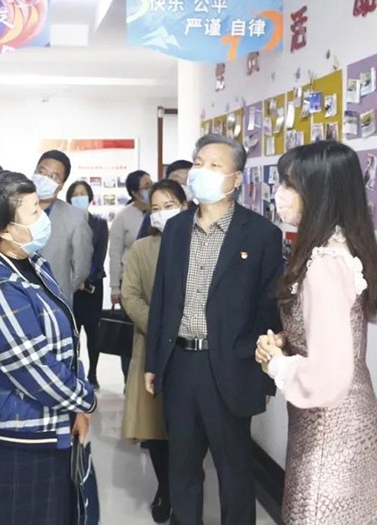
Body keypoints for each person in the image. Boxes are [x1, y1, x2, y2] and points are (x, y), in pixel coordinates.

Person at [145, 134, 282, 524]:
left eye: (215, 165)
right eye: (199, 163)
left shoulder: (261, 234)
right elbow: (162, 299)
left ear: (236, 179)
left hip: (231, 365)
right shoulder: (176, 229)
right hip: (180, 362)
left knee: (234, 472)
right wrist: (154, 361)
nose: (202, 171)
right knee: (183, 468)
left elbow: (268, 311)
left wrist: (266, 376)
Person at [256, 141, 377, 524]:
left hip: (330, 426)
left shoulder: (324, 264)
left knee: (314, 513)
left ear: (320, 191)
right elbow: (332, 330)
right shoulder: (341, 247)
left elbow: (327, 375)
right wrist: (289, 340)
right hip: (348, 414)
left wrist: (275, 362)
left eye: (290, 184)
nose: (281, 194)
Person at [0, 170, 97, 525]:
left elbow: (64, 346)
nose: (43, 217)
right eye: (34, 211)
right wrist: (86, 400)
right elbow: (35, 368)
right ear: (5, 230)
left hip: (46, 424)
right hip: (18, 437)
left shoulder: (31, 263)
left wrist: (75, 408)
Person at [122, 179, 188, 523]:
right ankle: (165, 487)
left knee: (186, 428)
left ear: (185, 206)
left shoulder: (199, 245)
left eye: (169, 206)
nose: (161, 214)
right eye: (155, 209)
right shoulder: (142, 248)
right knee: (156, 425)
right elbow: (130, 295)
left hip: (192, 349)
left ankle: (185, 490)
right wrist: (162, 327)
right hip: (152, 347)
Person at [33, 149, 93, 302]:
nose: (45, 179)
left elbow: (81, 269)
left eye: (54, 177)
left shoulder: (75, 218)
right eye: (42, 172)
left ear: (61, 185)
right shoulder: (13, 209)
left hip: (55, 301)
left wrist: (62, 289)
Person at [110, 169, 152, 379]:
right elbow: (115, 253)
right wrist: (114, 288)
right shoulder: (123, 217)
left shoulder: (158, 213)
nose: (150, 189)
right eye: (146, 187)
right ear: (135, 192)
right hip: (130, 282)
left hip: (152, 281)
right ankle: (129, 378)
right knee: (129, 333)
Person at [66, 180, 108, 388]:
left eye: (82, 193)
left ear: (90, 197)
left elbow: (99, 256)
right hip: (71, 286)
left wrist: (86, 278)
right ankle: (74, 372)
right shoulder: (65, 223)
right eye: (75, 194)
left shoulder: (99, 224)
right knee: (72, 332)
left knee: (93, 332)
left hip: (92, 287)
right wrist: (75, 279)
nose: (79, 197)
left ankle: (92, 373)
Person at [137, 160, 194, 239]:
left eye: (187, 182)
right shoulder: (155, 213)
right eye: (177, 183)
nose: (183, 187)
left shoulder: (202, 211)